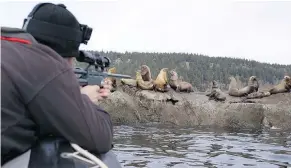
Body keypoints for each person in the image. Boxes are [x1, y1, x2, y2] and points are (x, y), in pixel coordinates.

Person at [1, 2, 116, 167]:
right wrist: (85, 100)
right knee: (61, 151)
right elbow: (100, 135)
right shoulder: (42, 65)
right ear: (64, 55)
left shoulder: (11, 50)